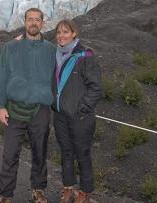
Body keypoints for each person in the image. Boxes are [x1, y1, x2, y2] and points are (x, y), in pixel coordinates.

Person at [0, 8, 56, 203]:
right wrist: (0, 105)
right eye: (30, 19)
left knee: (40, 152)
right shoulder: (10, 47)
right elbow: (2, 76)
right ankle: (5, 194)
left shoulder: (51, 50)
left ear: (42, 23)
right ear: (25, 22)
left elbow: (58, 79)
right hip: (14, 109)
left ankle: (38, 190)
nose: (33, 23)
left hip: (40, 109)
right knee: (10, 154)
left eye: (37, 20)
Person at [51, 19, 102, 203]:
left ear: (74, 34)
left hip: (80, 117)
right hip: (60, 116)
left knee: (82, 154)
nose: (61, 36)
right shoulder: (56, 55)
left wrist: (82, 108)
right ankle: (68, 188)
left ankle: (85, 191)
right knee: (66, 153)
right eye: (58, 32)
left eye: (65, 32)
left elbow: (96, 88)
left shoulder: (85, 56)